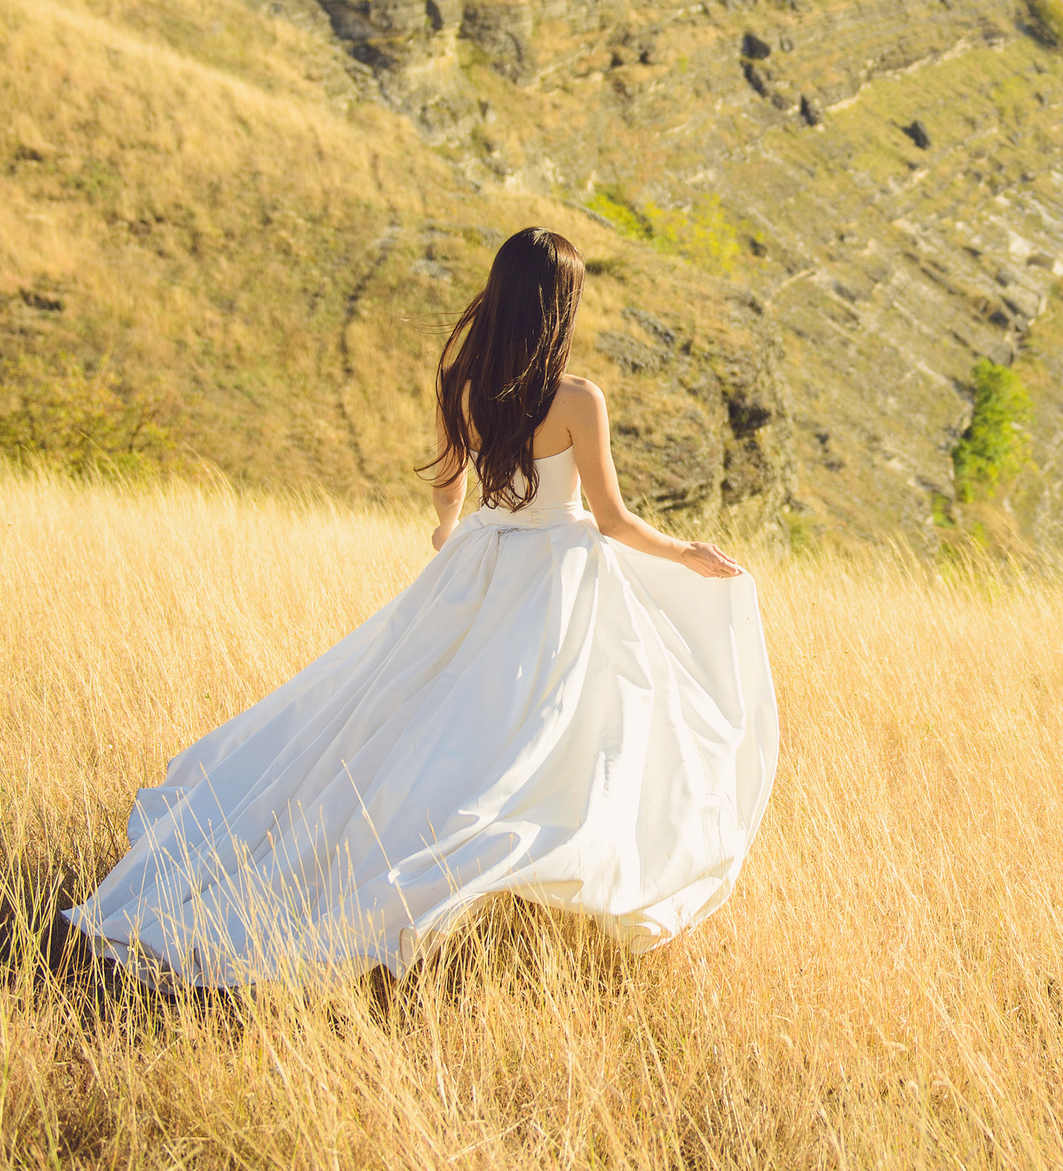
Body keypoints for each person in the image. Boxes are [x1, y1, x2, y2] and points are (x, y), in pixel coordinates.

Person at [66, 227, 779, 987]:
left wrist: (451, 532)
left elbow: (449, 489)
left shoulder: (461, 382)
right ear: (558, 308)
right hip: (558, 578)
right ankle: (523, 880)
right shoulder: (576, 400)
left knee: (416, 719)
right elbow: (611, 520)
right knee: (566, 734)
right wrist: (687, 554)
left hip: (480, 561)